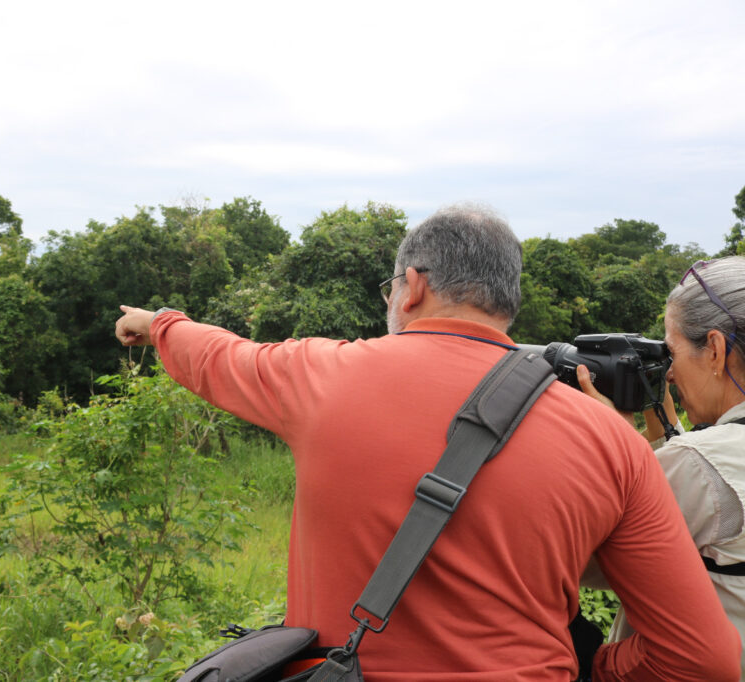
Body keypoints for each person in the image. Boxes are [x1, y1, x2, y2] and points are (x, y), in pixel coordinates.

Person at [114, 204, 739, 681]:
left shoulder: (318, 375)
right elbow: (703, 656)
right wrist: (586, 667)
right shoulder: (610, 438)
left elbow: (219, 356)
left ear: (411, 287)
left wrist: (157, 323)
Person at [578, 255, 745, 679]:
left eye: (670, 353)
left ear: (715, 349)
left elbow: (590, 564)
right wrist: (662, 438)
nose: (667, 375)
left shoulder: (697, 462)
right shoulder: (695, 456)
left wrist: (616, 447)